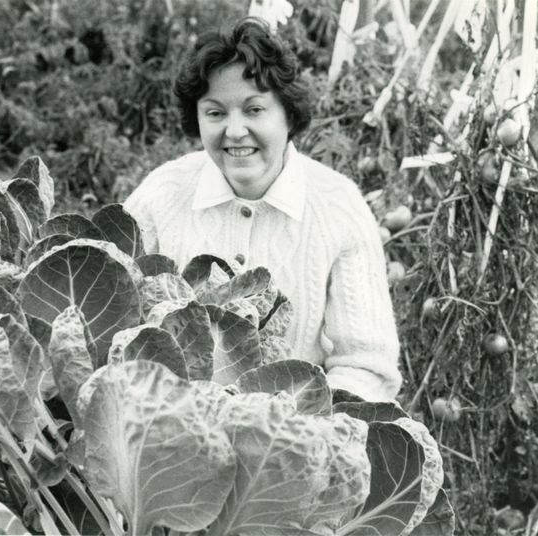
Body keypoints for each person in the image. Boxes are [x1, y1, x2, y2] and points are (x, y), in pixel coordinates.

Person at [123, 17, 402, 402]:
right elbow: (118, 321)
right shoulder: (161, 194)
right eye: (216, 113)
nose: (235, 131)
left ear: (288, 114)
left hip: (292, 446)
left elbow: (367, 366)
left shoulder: (339, 208)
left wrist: (293, 431)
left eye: (254, 110)